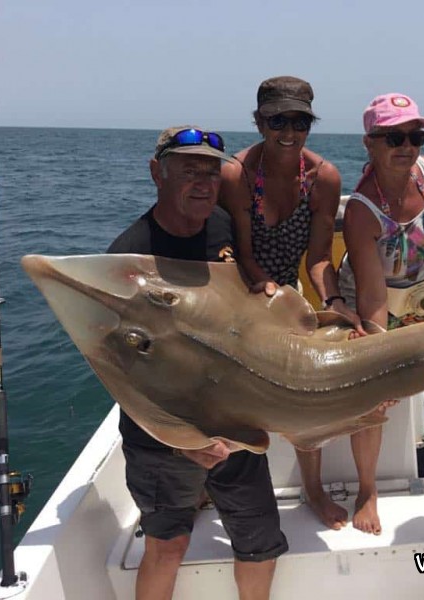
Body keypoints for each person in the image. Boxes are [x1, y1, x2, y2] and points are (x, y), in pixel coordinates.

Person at [108, 126, 287, 600]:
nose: (204, 183)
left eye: (211, 171)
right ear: (156, 174)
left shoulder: (223, 227)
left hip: (233, 422)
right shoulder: (129, 257)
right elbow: (121, 373)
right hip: (163, 434)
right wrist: (181, 440)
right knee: (168, 545)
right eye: (189, 171)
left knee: (260, 543)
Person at [221, 76, 364, 532]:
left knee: (309, 394)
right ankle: (220, 483)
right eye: (277, 120)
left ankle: (314, 489)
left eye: (299, 121)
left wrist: (336, 301)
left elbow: (320, 258)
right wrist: (265, 292)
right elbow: (242, 254)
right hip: (241, 289)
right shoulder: (237, 173)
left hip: (287, 292)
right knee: (230, 398)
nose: (288, 130)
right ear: (259, 121)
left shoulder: (323, 177)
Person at [336, 93, 424, 535]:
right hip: (378, 304)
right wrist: (382, 352)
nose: (407, 146)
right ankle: (367, 489)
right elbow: (371, 292)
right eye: (394, 137)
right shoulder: (362, 212)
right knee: (373, 400)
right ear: (369, 142)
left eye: (415, 135)